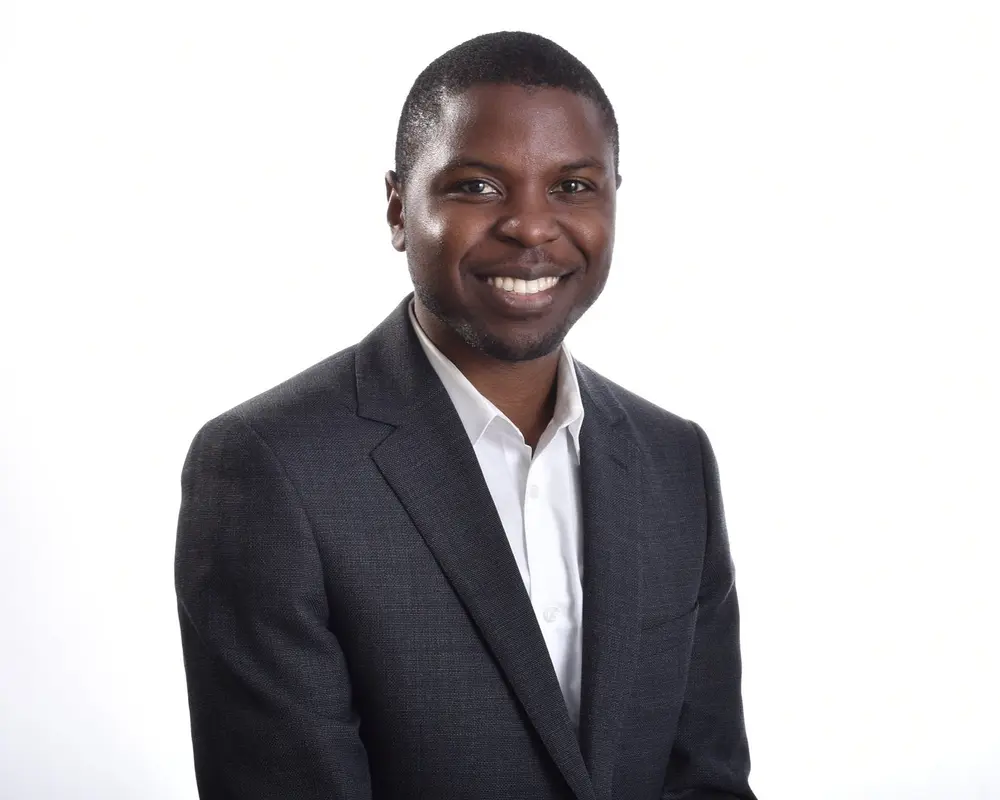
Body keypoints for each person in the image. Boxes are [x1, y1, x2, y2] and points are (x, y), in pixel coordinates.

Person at [174, 30, 756, 800]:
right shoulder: (269, 469)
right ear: (396, 208)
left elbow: (707, 780)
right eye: (478, 187)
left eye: (574, 186)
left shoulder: (674, 461)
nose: (531, 226)